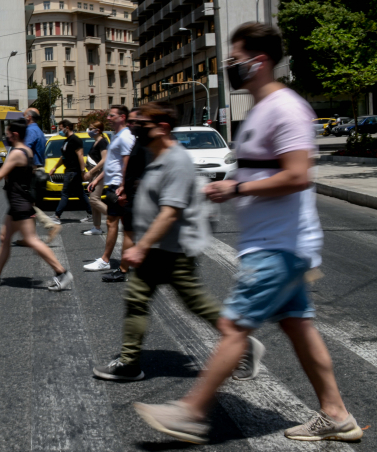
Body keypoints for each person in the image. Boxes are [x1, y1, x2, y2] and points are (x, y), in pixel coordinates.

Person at [134, 23, 363, 444]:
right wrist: (231, 186)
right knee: (298, 325)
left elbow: (297, 175)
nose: (229, 66)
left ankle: (191, 412)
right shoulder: (259, 110)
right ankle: (336, 414)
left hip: (280, 245)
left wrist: (236, 188)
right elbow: (265, 170)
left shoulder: (286, 108)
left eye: (234, 58)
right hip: (273, 242)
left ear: (258, 62)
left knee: (235, 326)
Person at [93, 102, 224, 381]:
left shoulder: (177, 161)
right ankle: (129, 363)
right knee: (136, 299)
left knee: (197, 304)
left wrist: (139, 246)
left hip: (174, 249)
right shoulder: (156, 155)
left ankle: (240, 344)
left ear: (162, 128)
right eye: (134, 123)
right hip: (155, 247)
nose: (135, 128)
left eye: (142, 124)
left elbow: (170, 212)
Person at [0, 119, 74, 291]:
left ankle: (62, 272)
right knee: (5, 237)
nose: (6, 137)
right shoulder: (27, 150)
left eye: (8, 134)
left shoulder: (17, 153)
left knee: (31, 240)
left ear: (15, 134)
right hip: (19, 201)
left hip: (19, 203)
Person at [101, 109, 154, 283]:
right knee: (132, 230)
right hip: (133, 193)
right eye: (130, 121)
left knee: (133, 231)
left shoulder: (146, 143)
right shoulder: (139, 141)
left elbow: (143, 170)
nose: (130, 124)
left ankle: (124, 269)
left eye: (133, 121)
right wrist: (124, 187)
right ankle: (126, 268)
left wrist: (128, 190)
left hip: (140, 194)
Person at [84, 105, 135, 272]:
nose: (108, 118)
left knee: (116, 223)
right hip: (113, 185)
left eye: (112, 115)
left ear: (122, 117)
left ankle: (106, 260)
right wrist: (97, 180)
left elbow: (127, 163)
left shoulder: (125, 137)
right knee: (119, 223)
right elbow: (113, 164)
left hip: (118, 187)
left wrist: (123, 186)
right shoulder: (117, 136)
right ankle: (128, 259)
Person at [22, 108, 61, 242]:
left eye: (24, 115)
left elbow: (25, 150)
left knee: (26, 203)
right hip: (39, 169)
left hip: (33, 170)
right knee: (29, 203)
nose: (22, 117)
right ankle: (30, 237)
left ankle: (51, 225)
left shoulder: (30, 131)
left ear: (29, 117)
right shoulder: (38, 130)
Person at [49, 119, 89, 224]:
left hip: (73, 171)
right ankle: (91, 214)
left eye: (61, 128)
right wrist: (54, 168)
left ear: (67, 128)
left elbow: (80, 155)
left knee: (65, 193)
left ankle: (57, 216)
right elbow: (63, 157)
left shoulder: (75, 140)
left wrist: (83, 171)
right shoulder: (67, 140)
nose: (60, 131)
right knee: (81, 193)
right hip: (69, 170)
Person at [82, 121, 109, 235]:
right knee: (94, 201)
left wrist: (91, 172)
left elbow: (104, 160)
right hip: (94, 174)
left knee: (94, 199)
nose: (88, 130)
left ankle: (114, 215)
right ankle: (96, 227)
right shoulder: (96, 142)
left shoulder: (102, 142)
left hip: (99, 174)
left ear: (97, 130)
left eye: (90, 128)